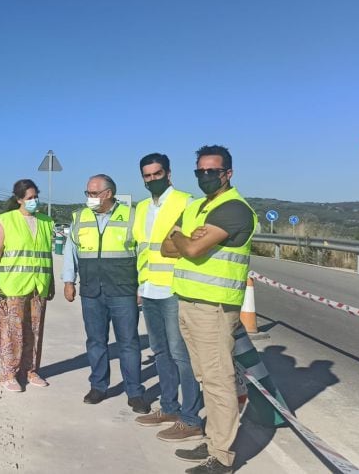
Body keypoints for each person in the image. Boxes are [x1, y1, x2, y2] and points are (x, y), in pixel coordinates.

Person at [161, 145, 257, 474]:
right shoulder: (199, 206)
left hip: (214, 306)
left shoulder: (234, 208)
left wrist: (184, 239)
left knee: (217, 380)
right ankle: (214, 439)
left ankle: (222, 457)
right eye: (200, 171)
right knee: (205, 377)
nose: (205, 176)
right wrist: (182, 237)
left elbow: (191, 247)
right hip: (189, 300)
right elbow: (166, 246)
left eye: (211, 171)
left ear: (227, 173)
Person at [132, 153, 204, 441]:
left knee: (181, 355)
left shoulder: (186, 202)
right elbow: (141, 248)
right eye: (147, 176)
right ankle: (169, 407)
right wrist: (139, 286)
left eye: (157, 174)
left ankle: (190, 419)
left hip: (174, 289)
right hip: (149, 288)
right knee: (160, 353)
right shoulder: (141, 208)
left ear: (168, 174)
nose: (152, 180)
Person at [62, 174, 149, 414]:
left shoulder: (131, 216)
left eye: (93, 193)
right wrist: (69, 280)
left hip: (123, 290)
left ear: (108, 193)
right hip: (91, 290)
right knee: (96, 341)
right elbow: (71, 250)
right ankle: (98, 386)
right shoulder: (80, 218)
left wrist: (142, 287)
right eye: (87, 193)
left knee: (129, 343)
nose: (89, 198)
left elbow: (143, 253)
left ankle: (135, 393)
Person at [0, 179, 55, 392]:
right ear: (19, 200)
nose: (34, 201)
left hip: (37, 286)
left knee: (34, 331)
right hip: (11, 286)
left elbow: (47, 256)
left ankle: (31, 370)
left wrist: (49, 282)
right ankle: (8, 373)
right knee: (10, 332)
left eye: (36, 197)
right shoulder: (7, 220)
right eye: (29, 198)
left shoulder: (45, 221)